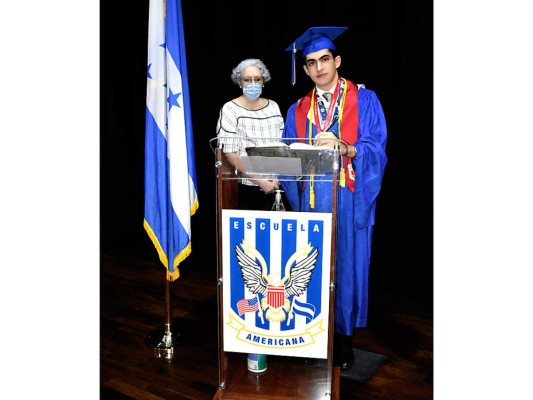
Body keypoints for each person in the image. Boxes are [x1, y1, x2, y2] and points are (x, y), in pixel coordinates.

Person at [281, 27, 388, 370]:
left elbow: (376, 147)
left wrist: (346, 147)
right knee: (311, 267)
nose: (318, 68)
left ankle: (342, 339)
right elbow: (288, 157)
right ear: (307, 69)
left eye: (324, 59)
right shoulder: (297, 109)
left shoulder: (363, 99)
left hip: (348, 197)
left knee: (345, 266)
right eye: (310, 63)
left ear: (337, 61)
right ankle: (314, 334)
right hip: (311, 199)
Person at [216, 58, 286, 210]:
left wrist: (277, 179)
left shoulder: (273, 106)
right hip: (247, 189)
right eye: (247, 79)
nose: (253, 83)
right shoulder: (230, 109)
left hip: (277, 185)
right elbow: (230, 154)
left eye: (257, 79)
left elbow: (283, 146)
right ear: (240, 83)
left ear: (263, 81)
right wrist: (261, 181)